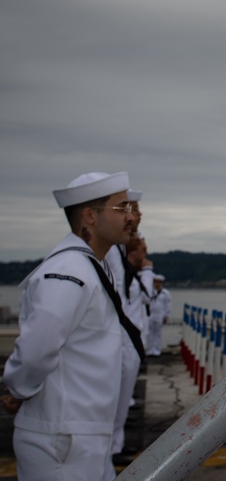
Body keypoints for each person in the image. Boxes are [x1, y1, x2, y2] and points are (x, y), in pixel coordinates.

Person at [2, 171, 137, 481]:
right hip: (61, 436)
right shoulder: (68, 272)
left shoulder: (88, 267)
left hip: (80, 434)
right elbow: (37, 348)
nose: (130, 217)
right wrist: (18, 390)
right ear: (89, 216)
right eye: (121, 208)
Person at [107, 191, 153, 462]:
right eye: (130, 209)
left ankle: (113, 447)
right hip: (119, 341)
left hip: (126, 341)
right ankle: (111, 449)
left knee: (118, 404)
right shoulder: (112, 253)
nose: (136, 216)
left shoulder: (118, 253)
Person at [147, 274, 171, 356]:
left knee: (157, 334)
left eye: (159, 282)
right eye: (155, 282)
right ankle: (150, 350)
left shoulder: (165, 293)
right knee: (150, 334)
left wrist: (166, 316)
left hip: (160, 315)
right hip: (150, 315)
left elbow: (168, 305)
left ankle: (157, 350)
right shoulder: (149, 291)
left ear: (161, 283)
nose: (157, 283)